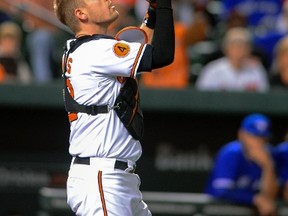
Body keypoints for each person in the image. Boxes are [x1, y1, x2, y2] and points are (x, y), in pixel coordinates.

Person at [53, 0, 175, 215]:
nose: (107, 0)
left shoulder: (85, 48)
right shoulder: (96, 50)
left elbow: (141, 44)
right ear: (81, 14)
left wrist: (153, 13)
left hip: (111, 177)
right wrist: (164, 5)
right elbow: (161, 55)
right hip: (102, 178)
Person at [205, 113, 278, 216]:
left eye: (262, 137)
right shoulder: (231, 153)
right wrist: (254, 199)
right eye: (253, 136)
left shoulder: (269, 155)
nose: (258, 142)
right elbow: (221, 190)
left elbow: (269, 198)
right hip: (218, 211)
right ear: (241, 135)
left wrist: (268, 167)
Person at [195, 27, 270, 92]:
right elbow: (202, 97)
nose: (239, 49)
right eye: (235, 45)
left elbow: (264, 98)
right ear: (226, 48)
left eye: (244, 45)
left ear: (249, 49)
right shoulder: (213, 70)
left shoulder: (256, 69)